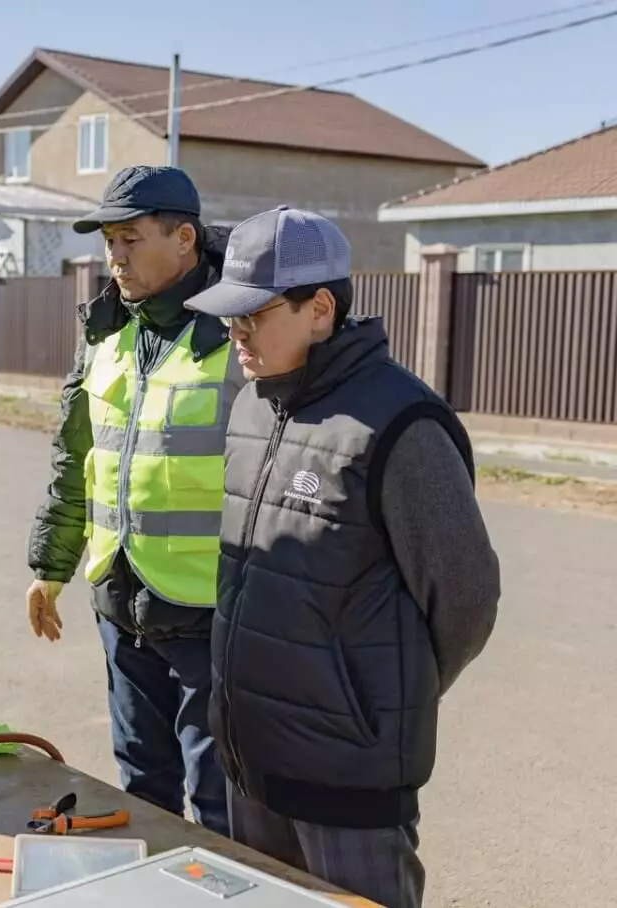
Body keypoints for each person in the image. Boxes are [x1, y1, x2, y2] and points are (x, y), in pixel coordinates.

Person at [185, 205, 501, 907]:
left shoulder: (399, 424)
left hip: (347, 780)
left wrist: (371, 696)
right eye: (228, 315)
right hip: (252, 762)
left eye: (253, 315)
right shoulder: (251, 407)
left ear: (320, 308)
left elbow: (467, 600)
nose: (234, 332)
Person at [25, 165, 245, 836]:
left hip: (209, 613)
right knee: (142, 792)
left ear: (184, 239)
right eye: (108, 242)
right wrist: (50, 567)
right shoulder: (105, 330)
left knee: (219, 806)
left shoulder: (240, 334)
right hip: (120, 603)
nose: (114, 256)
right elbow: (77, 458)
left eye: (129, 239)